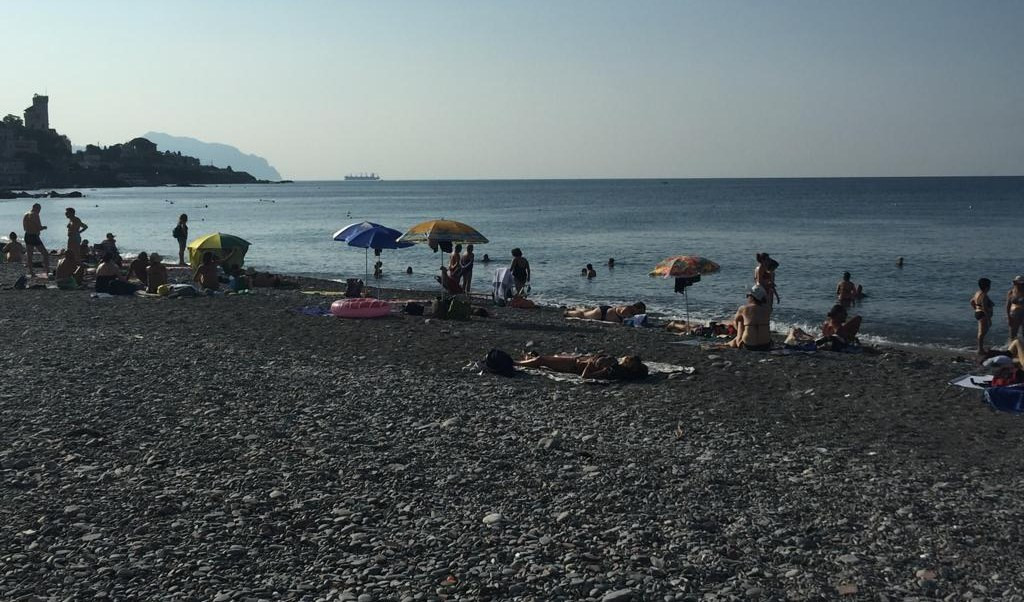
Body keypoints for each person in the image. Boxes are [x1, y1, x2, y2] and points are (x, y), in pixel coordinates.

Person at [515, 353, 649, 380]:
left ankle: (516, 363)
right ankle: (527, 359)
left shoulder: (611, 370)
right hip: (577, 359)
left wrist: (590, 364)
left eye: (629, 358)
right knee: (549, 358)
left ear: (629, 364)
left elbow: (586, 376)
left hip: (573, 365)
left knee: (541, 360)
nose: (626, 356)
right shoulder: (615, 365)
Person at [728, 285, 773, 351]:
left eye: (748, 295)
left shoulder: (743, 308)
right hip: (766, 345)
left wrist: (740, 332)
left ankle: (736, 339)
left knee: (740, 320)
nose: (747, 297)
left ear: (752, 297)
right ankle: (733, 341)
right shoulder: (768, 308)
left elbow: (735, 322)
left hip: (748, 346)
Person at [22, 203, 49, 276]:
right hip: (34, 236)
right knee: (45, 254)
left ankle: (31, 272)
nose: (39, 211)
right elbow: (39, 227)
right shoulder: (35, 215)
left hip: (27, 235)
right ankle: (47, 271)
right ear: (36, 208)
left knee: (30, 255)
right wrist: (44, 227)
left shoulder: (26, 214)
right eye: (39, 209)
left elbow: (24, 228)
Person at [972, 278, 995, 354]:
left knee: (982, 332)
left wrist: (975, 309)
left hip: (979, 313)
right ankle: (980, 349)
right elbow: (985, 307)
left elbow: (971, 301)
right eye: (989, 286)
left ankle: (980, 348)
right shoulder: (984, 296)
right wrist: (989, 319)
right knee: (982, 333)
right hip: (983, 314)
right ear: (987, 287)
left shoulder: (978, 293)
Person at [564, 301, 646, 323]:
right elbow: (624, 316)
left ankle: (575, 309)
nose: (640, 314)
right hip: (603, 313)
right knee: (583, 315)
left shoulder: (631, 311)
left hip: (607, 312)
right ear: (637, 308)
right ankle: (568, 313)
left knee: (587, 312)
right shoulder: (627, 309)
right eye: (640, 312)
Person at [1007, 276, 1024, 344]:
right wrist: (1008, 317)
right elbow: (1008, 306)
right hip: (1014, 314)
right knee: (1013, 334)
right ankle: (1012, 349)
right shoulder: (1011, 292)